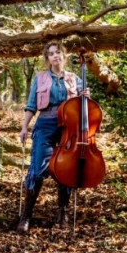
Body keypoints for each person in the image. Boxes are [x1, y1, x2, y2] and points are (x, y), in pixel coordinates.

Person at [17, 41, 89, 233]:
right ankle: (26, 215)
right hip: (45, 124)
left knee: (66, 168)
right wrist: (24, 127)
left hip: (68, 128)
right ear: (47, 58)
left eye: (58, 52)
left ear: (63, 55)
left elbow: (83, 106)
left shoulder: (74, 79)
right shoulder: (40, 78)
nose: (55, 55)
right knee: (37, 167)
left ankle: (62, 212)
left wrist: (85, 96)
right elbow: (31, 105)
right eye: (51, 53)